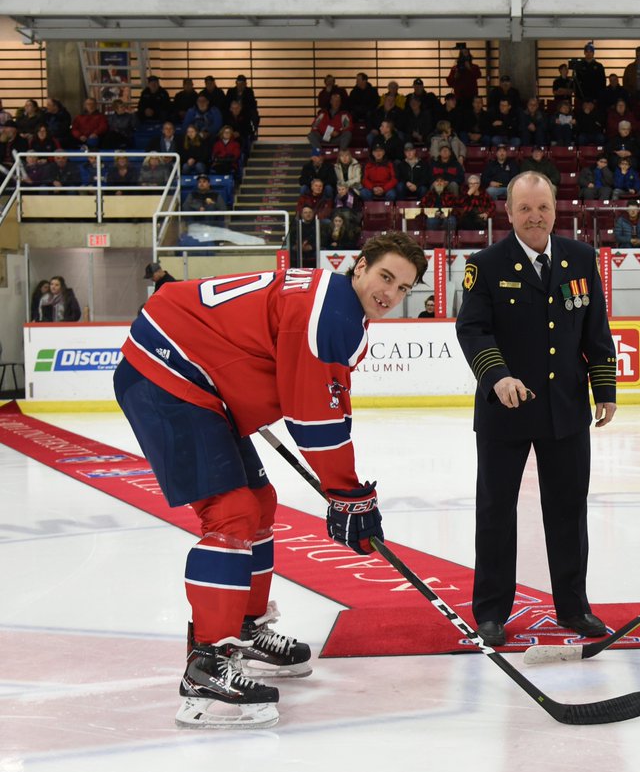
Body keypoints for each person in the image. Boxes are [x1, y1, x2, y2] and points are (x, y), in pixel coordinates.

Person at [114, 233, 424, 730]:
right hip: (166, 374)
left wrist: (346, 493)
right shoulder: (334, 313)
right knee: (232, 512)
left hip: (197, 376)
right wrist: (347, 494)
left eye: (404, 288)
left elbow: (308, 393)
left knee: (260, 501)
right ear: (360, 267)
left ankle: (243, 626)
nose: (390, 292)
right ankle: (206, 666)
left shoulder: (337, 304)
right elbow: (314, 420)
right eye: (386, 276)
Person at [454, 171, 617, 648]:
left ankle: (573, 606)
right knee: (496, 513)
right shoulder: (484, 264)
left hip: (565, 410)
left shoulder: (582, 258)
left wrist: (603, 390)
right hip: (504, 412)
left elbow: (596, 331)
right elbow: (473, 330)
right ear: (508, 212)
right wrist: (497, 375)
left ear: (555, 208)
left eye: (542, 207)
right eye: (524, 208)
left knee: (568, 512)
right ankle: (490, 612)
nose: (535, 216)